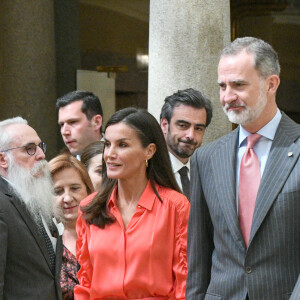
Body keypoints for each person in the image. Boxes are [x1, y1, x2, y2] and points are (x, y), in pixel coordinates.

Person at [186, 37, 300, 300]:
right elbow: (199, 255)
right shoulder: (206, 158)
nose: (227, 97)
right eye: (222, 86)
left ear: (271, 84)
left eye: (238, 85)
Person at [74, 107, 190, 299]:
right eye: (107, 144)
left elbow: (184, 284)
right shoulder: (90, 207)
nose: (110, 154)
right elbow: (85, 283)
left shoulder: (176, 207)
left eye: (122, 145)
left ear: (149, 151)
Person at [0, 117, 62, 300]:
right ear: (3, 159)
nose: (41, 155)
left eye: (40, 146)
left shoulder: (37, 200)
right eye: (29, 149)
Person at [49, 154, 94, 300]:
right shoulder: (45, 241)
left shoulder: (107, 232)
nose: (67, 198)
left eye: (74, 188)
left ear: (88, 190)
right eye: (58, 191)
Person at [160, 88, 212, 199]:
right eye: (183, 126)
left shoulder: (208, 174)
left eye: (198, 128)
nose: (191, 135)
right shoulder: (145, 170)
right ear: (165, 125)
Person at [56, 90, 103, 157]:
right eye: (62, 124)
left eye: (73, 122)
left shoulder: (118, 159)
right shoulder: (63, 165)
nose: (64, 132)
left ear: (96, 122)